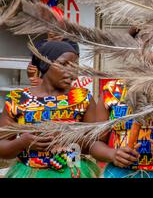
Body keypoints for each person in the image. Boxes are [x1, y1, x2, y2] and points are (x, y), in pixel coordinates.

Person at [90, 31, 153, 178]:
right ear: (135, 51)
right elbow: (94, 144)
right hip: (121, 174)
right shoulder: (113, 91)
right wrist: (113, 154)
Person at [0, 41, 99, 178]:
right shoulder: (17, 100)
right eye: (64, 64)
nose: (72, 73)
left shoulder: (82, 98)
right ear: (44, 63)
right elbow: (2, 147)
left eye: (74, 66)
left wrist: (67, 138)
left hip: (73, 172)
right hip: (29, 173)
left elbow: (95, 143)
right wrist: (22, 143)